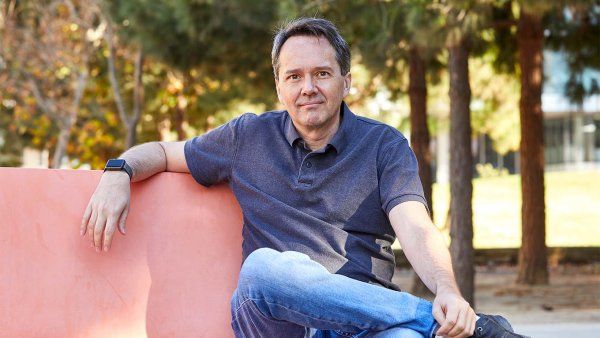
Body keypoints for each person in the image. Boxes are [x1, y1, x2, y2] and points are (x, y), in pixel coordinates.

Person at [81, 18, 527, 338]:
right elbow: (160, 152)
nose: (307, 87)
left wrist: (448, 289)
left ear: (346, 81)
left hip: (363, 324)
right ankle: (444, 323)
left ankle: (423, 323)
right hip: (277, 323)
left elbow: (414, 225)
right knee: (264, 269)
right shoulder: (245, 137)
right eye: (294, 76)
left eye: (321, 74)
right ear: (279, 86)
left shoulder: (384, 145)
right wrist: (117, 171)